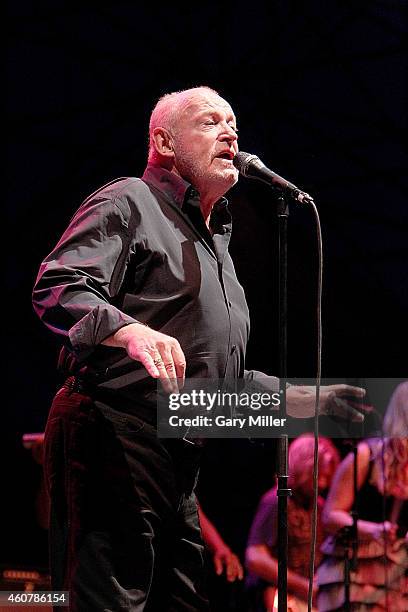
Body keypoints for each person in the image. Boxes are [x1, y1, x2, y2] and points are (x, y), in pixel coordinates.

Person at [32, 85, 366, 611]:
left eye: (233, 122)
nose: (230, 132)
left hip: (180, 451)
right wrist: (129, 330)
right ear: (164, 141)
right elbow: (58, 284)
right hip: (112, 429)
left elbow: (219, 384)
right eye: (210, 122)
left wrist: (307, 401)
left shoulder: (218, 246)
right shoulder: (129, 199)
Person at [317, 381, 408, 611]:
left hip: (397, 575)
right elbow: (330, 516)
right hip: (356, 570)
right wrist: (373, 530)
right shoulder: (367, 456)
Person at [245, 435, 340, 611]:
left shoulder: (319, 505)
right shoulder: (276, 501)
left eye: (327, 478)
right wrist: (303, 585)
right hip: (278, 597)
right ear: (303, 468)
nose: (324, 484)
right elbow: (255, 557)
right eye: (319, 476)